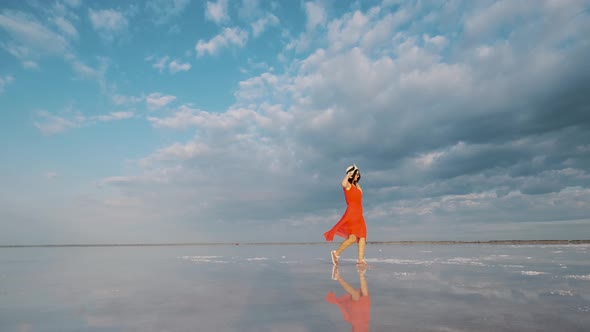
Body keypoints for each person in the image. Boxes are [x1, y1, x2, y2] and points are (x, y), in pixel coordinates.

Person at [324, 164, 367, 266]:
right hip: (352, 214)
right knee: (356, 237)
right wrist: (349, 174)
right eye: (357, 174)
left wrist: (355, 179)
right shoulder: (347, 185)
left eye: (358, 174)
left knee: (361, 237)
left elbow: (361, 192)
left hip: (359, 214)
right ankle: (337, 254)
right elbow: (342, 183)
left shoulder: (355, 186)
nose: (358, 176)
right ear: (351, 174)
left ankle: (359, 259)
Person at [326, 265, 371, 332]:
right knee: (364, 296)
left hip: (358, 319)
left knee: (357, 294)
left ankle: (338, 277)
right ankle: (360, 273)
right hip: (364, 318)